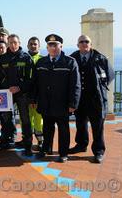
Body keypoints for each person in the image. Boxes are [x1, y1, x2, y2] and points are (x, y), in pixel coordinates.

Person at [34, 34, 81, 163]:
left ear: (61, 46)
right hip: (46, 103)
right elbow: (35, 83)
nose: (53, 48)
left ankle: (63, 153)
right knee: (47, 128)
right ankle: (45, 149)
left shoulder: (70, 62)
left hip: (62, 104)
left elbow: (76, 85)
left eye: (55, 45)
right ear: (47, 47)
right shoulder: (41, 62)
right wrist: (34, 99)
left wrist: (73, 104)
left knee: (63, 130)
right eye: (50, 45)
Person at [69, 35, 114, 163]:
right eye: (81, 42)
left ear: (90, 43)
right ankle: (81, 145)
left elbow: (110, 75)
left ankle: (99, 151)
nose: (84, 43)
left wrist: (101, 88)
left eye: (86, 41)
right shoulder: (73, 58)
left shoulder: (100, 58)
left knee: (98, 126)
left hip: (96, 99)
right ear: (78, 45)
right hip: (80, 99)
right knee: (80, 124)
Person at [0, 34, 34, 156]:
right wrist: (8, 88)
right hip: (7, 94)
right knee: (6, 118)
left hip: (22, 94)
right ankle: (6, 141)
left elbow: (31, 78)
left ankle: (27, 145)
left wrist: (19, 88)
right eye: (10, 43)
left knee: (25, 119)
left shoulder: (26, 58)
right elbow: (0, 77)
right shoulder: (3, 58)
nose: (13, 45)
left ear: (19, 43)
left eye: (15, 42)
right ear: (7, 43)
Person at [27, 36, 44, 150]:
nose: (33, 46)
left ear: (39, 46)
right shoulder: (23, 59)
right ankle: (27, 141)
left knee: (39, 120)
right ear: (27, 46)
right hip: (26, 95)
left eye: (35, 44)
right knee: (27, 120)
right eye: (31, 44)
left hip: (39, 96)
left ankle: (40, 141)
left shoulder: (43, 60)